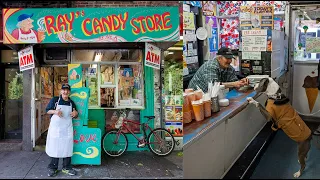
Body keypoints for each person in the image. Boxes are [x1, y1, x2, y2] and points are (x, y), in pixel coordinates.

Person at [45, 84, 78, 177]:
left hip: (67, 129)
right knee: (55, 147)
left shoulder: (71, 103)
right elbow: (47, 110)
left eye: (67, 90)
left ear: (69, 92)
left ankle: (66, 167)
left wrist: (76, 113)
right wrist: (55, 111)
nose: (65, 92)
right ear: (61, 91)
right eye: (64, 90)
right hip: (56, 129)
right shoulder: (55, 100)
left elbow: (75, 114)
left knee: (67, 147)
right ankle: (53, 168)